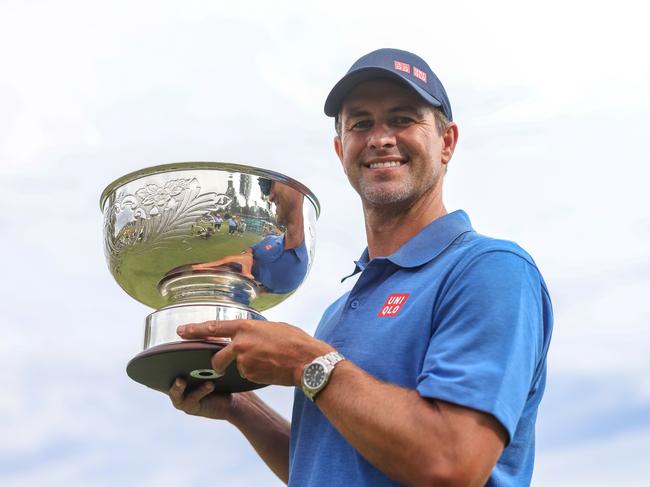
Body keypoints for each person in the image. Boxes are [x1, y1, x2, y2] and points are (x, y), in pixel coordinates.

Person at [168, 48, 553, 487]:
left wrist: (306, 361)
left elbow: (451, 462)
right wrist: (240, 408)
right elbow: (327, 466)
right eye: (361, 123)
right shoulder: (339, 310)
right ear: (340, 148)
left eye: (403, 119)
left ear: (446, 143)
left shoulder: (490, 271)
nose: (381, 138)